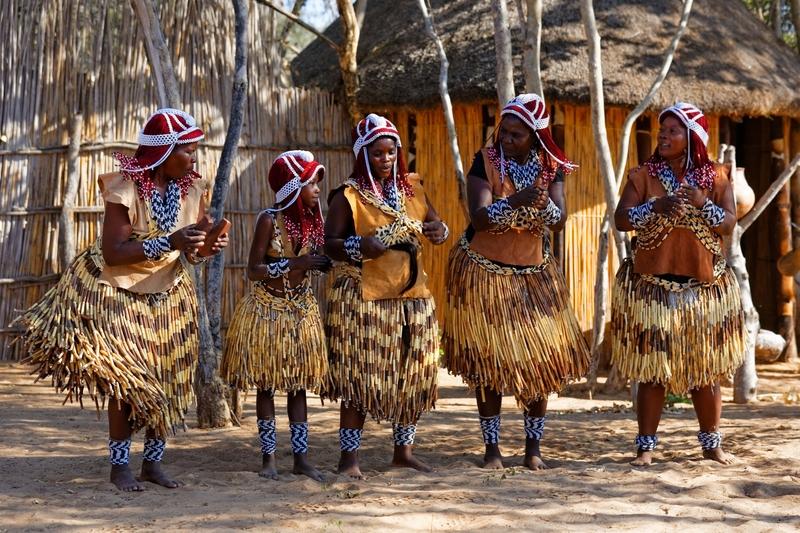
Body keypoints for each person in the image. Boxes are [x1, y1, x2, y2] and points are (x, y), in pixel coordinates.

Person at [13, 109, 228, 491]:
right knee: (128, 383)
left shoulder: (192, 189)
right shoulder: (125, 188)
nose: (195, 159)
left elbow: (189, 253)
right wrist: (172, 240)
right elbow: (114, 252)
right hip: (118, 290)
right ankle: (119, 465)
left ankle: (153, 463)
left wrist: (204, 246)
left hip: (168, 294)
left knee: (167, 379)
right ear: (163, 153)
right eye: (188, 151)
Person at [442, 94, 590, 470]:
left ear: (536, 136)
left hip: (534, 272)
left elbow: (559, 220)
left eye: (517, 134)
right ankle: (492, 450)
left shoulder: (549, 166)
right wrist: (516, 201)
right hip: (485, 269)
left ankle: (533, 448)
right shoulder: (486, 160)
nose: (506, 138)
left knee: (539, 361)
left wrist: (543, 206)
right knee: (490, 362)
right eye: (504, 131)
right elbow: (480, 218)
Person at [611, 102, 745, 466]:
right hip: (653, 287)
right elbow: (621, 219)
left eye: (673, 131)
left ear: (693, 138)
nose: (664, 136)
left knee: (705, 371)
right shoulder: (643, 175)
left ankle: (711, 445)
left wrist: (703, 203)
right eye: (662, 130)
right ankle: (646, 447)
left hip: (703, 289)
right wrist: (654, 208)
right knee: (653, 372)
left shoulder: (716, 176)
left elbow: (729, 224)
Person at [323, 113, 448, 478]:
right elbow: (329, 245)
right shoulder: (347, 196)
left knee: (412, 376)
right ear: (363, 155)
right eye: (378, 154)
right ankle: (349, 458)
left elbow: (434, 223)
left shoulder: (413, 187)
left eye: (391, 152)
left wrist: (439, 230)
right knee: (359, 378)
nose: (386, 160)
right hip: (366, 298)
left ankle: (403, 453)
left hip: (412, 296)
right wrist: (359, 245)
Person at [222, 151, 331, 481]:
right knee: (266, 386)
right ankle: (268, 459)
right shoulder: (269, 219)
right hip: (266, 311)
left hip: (300, 312)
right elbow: (253, 270)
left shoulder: (314, 220)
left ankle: (301, 458)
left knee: (299, 386)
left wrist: (319, 263)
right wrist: (295, 264)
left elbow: (315, 260)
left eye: (317, 184)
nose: (316, 190)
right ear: (293, 187)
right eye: (310, 183)